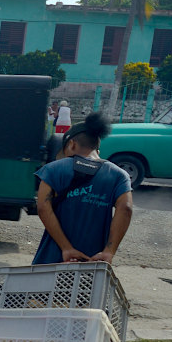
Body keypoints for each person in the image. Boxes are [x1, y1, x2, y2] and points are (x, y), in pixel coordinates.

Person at [33, 112, 133, 265]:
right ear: (97, 151)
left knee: (44, 288)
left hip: (53, 259)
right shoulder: (119, 175)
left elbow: (42, 207)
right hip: (93, 263)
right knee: (86, 289)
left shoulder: (52, 169)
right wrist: (109, 251)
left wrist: (66, 248)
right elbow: (126, 208)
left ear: (72, 144)